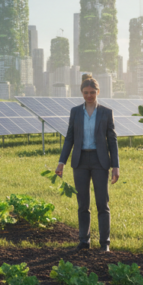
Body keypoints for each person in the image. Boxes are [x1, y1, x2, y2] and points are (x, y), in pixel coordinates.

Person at [55, 74, 120, 252]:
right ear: (82, 93)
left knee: (102, 204)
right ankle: (84, 241)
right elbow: (69, 138)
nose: (89, 95)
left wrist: (116, 166)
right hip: (80, 161)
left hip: (100, 162)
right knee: (83, 203)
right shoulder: (75, 112)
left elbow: (112, 140)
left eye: (92, 92)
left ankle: (104, 243)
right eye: (86, 92)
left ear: (98, 91)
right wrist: (62, 162)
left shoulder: (106, 112)